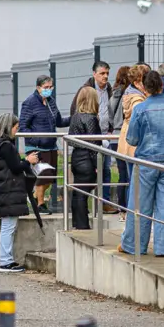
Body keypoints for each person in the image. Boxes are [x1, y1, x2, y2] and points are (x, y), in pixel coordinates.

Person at [118, 70, 164, 257]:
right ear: (162, 85)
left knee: (140, 205)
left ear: (144, 87)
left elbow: (132, 139)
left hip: (145, 161)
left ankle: (134, 244)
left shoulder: (140, 109)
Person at [0, 113, 38, 273]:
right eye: (16, 127)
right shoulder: (7, 146)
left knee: (7, 226)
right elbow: (16, 167)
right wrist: (27, 161)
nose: (18, 130)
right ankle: (6, 262)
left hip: (4, 188)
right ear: (9, 127)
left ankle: (6, 260)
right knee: (8, 226)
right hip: (10, 188)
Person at [18, 74, 69, 214]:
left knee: (50, 177)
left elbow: (58, 121)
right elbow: (23, 126)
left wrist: (74, 118)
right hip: (37, 146)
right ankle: (40, 204)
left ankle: (34, 196)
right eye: (46, 87)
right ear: (38, 88)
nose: (49, 89)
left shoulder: (51, 102)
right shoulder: (30, 102)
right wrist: (35, 139)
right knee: (43, 175)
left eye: (51, 87)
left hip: (51, 145)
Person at [71, 61, 115, 210]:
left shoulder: (109, 89)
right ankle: (90, 204)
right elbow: (75, 112)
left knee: (106, 170)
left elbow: (111, 111)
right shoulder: (85, 89)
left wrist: (110, 129)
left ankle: (104, 202)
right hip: (90, 136)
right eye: (102, 73)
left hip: (104, 135)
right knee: (91, 172)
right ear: (94, 74)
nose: (105, 76)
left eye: (107, 73)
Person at [68, 87, 102, 229]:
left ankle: (76, 222)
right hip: (87, 159)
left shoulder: (75, 117)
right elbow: (94, 144)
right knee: (83, 195)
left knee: (78, 193)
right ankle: (83, 225)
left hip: (76, 158)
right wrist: (97, 166)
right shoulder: (91, 119)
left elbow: (70, 139)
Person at [108, 66, 134, 209]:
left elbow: (110, 116)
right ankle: (129, 205)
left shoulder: (113, 94)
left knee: (121, 173)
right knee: (130, 173)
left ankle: (121, 206)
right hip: (126, 134)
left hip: (115, 137)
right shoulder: (129, 95)